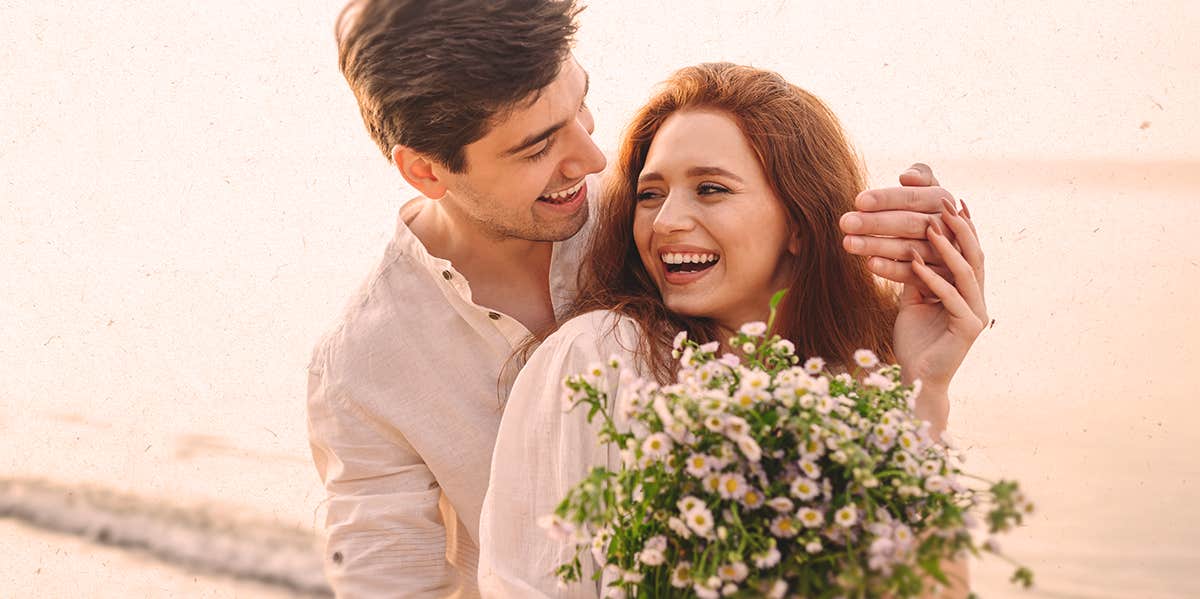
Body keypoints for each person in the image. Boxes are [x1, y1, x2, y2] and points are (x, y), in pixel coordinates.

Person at [307, 1, 980, 597]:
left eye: (580, 108)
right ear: (426, 168)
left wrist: (905, 305)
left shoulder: (649, 220)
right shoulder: (367, 366)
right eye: (540, 146)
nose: (594, 160)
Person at [477, 63, 985, 598]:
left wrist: (923, 390)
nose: (667, 220)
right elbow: (528, 583)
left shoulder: (853, 390)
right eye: (650, 194)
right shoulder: (604, 354)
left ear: (797, 221)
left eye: (711, 189)